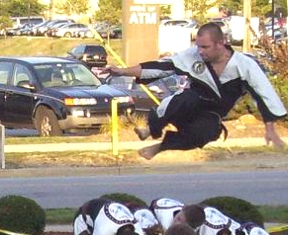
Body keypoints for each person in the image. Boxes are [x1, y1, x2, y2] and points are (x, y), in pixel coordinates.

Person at [109, 22, 286, 160]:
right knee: (187, 98)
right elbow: (161, 67)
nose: (200, 52)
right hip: (187, 104)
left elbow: (263, 94)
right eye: (198, 46)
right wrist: (123, 71)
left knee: (204, 135)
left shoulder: (245, 65)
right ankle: (150, 128)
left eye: (205, 47)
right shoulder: (192, 55)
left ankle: (159, 147)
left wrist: (269, 127)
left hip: (211, 114)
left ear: (221, 43)